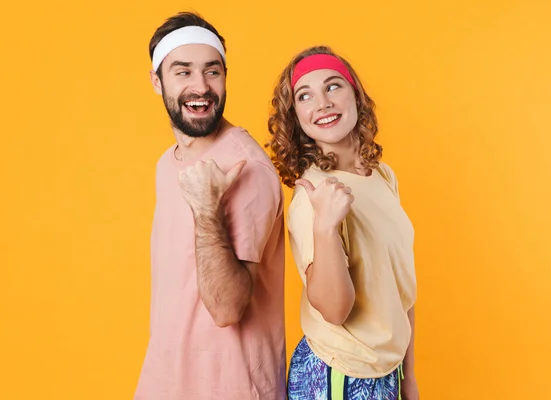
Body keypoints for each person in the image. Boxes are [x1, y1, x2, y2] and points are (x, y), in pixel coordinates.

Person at [135, 12, 286, 400]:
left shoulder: (245, 167)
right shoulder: (168, 164)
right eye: (183, 72)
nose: (200, 87)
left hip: (231, 387)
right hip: (166, 381)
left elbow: (227, 309)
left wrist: (206, 208)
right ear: (157, 81)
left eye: (212, 71)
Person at [267, 46, 419, 400]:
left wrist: (408, 378)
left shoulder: (382, 176)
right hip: (339, 375)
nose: (322, 103)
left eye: (333, 86)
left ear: (356, 95)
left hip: (386, 371)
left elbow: (401, 289)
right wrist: (324, 227)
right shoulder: (314, 195)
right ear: (297, 117)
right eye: (305, 96)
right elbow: (335, 310)